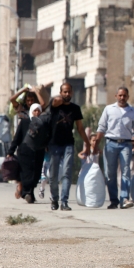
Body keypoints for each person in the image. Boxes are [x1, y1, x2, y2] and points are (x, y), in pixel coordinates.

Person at [91, 87, 134, 210]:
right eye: (120, 95)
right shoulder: (109, 109)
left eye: (124, 96)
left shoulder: (132, 112)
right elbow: (101, 128)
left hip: (126, 145)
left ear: (128, 97)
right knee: (110, 174)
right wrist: (96, 145)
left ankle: (124, 199)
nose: (122, 98)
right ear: (116, 96)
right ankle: (114, 200)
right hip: (110, 143)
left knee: (125, 171)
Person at [46, 83, 92, 212]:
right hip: (54, 144)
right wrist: (61, 98)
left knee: (67, 173)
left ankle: (64, 202)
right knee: (53, 175)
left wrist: (87, 143)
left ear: (72, 93)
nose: (67, 94)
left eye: (69, 92)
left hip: (68, 144)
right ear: (60, 92)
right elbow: (55, 102)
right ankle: (54, 198)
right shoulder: (55, 105)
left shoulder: (75, 108)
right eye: (64, 92)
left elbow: (80, 128)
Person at [8, 104, 46, 203]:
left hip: (38, 152)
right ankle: (26, 193)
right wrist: (10, 151)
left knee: (36, 174)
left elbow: (46, 137)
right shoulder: (25, 122)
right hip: (25, 152)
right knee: (27, 174)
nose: (36, 113)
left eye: (38, 111)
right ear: (31, 112)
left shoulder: (43, 124)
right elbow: (17, 138)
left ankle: (30, 193)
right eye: (35, 111)